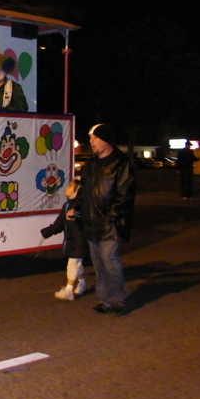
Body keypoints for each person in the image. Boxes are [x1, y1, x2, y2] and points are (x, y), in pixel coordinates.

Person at [70, 123, 135, 315]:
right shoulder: (91, 164)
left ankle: (117, 298)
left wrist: (112, 217)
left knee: (109, 260)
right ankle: (105, 300)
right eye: (90, 138)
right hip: (91, 222)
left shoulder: (121, 163)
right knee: (98, 263)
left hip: (110, 223)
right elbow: (83, 191)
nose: (91, 142)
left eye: (95, 138)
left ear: (106, 140)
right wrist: (76, 208)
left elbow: (125, 194)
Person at [41, 178, 87, 301]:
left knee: (72, 263)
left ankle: (68, 290)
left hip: (80, 239)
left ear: (77, 190)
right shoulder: (66, 205)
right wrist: (48, 231)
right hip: (71, 239)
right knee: (77, 263)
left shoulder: (82, 205)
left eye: (70, 186)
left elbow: (84, 217)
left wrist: (75, 215)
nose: (66, 188)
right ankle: (82, 284)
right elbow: (60, 223)